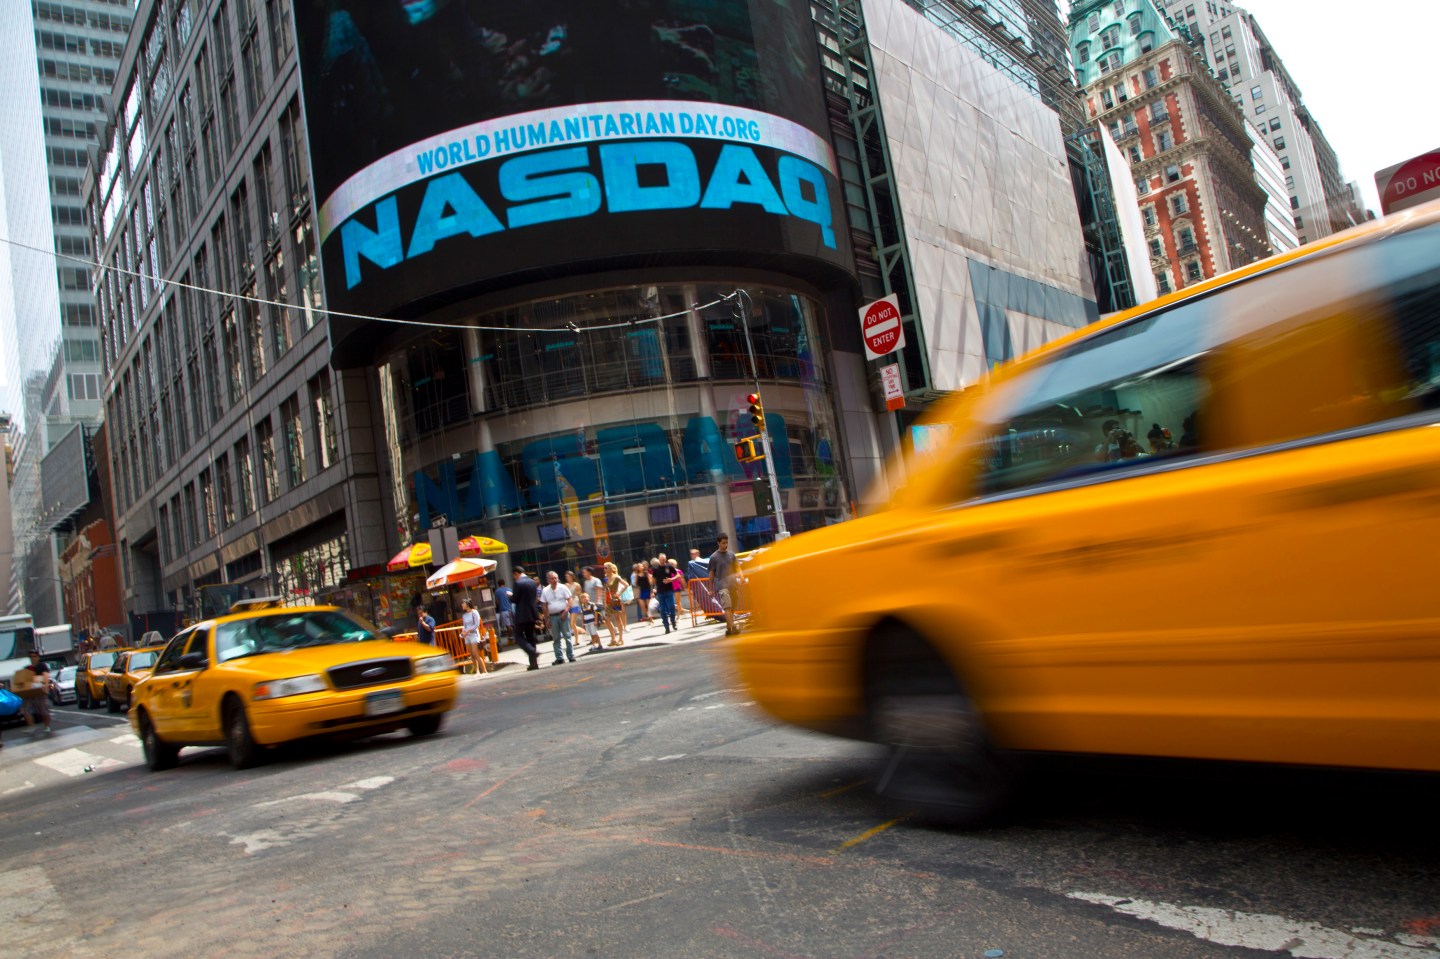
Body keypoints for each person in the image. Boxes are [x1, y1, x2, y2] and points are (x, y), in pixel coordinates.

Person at [708, 534, 740, 635]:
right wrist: (711, 589)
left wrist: (741, 577)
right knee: (727, 607)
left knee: (733, 606)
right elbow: (711, 573)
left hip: (733, 584)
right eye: (723, 543)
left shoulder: (731, 555)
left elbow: (737, 567)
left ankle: (728, 626)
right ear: (718, 543)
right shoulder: (714, 557)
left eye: (726, 543)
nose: (725, 545)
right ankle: (733, 627)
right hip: (721, 585)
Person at [541, 571, 576, 665]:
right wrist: (546, 619)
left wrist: (566, 610)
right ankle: (559, 657)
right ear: (548, 580)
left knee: (567, 635)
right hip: (553, 616)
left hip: (563, 614)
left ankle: (571, 655)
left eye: (556, 578)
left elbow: (570, 599)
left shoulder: (563, 587)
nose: (554, 580)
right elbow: (544, 605)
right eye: (552, 578)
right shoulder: (545, 591)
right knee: (556, 638)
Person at [511, 567, 542, 670]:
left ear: (516, 574)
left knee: (518, 636)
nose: (514, 578)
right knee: (530, 636)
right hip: (532, 613)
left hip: (522, 614)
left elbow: (515, 599)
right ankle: (534, 664)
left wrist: (510, 595)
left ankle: (532, 651)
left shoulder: (518, 583)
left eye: (514, 576)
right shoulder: (532, 582)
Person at [14, 654, 52, 734]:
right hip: (29, 692)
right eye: (31, 656)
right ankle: (31, 726)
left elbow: (46, 675)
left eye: (34, 656)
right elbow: (22, 678)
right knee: (25, 710)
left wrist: (45, 684)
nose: (33, 658)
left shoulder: (42, 666)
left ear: (38, 657)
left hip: (40, 691)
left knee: (44, 710)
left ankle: (47, 726)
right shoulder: (27, 668)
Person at [651, 553, 679, 634]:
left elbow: (678, 575)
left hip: (669, 590)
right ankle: (666, 627)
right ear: (659, 559)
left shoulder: (669, 567)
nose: (662, 561)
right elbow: (653, 581)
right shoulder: (655, 568)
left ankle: (673, 621)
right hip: (660, 592)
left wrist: (672, 579)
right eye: (661, 559)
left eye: (664, 559)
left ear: (665, 559)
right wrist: (653, 589)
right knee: (663, 610)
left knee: (671, 606)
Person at [602, 562, 628, 647]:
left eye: (606, 568)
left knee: (617, 618)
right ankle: (613, 638)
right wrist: (605, 602)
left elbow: (626, 585)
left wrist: (619, 593)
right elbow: (605, 590)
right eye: (604, 568)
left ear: (611, 569)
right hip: (609, 600)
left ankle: (621, 638)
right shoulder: (605, 579)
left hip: (615, 600)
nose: (604, 569)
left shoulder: (616, 577)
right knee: (606, 619)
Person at [460, 600, 488, 674]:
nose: (462, 605)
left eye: (463, 603)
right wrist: (463, 632)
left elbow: (476, 624)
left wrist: (468, 631)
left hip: (474, 635)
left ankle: (484, 670)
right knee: (471, 655)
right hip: (467, 636)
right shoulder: (464, 615)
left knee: (475, 653)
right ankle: (477, 671)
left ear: (467, 604)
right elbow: (464, 625)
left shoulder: (474, 612)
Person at [582, 566, 608, 649]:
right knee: (593, 624)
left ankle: (613, 631)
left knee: (602, 620)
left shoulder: (596, 580)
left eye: (584, 572)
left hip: (596, 604)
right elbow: (586, 593)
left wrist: (596, 603)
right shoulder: (586, 582)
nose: (583, 574)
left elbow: (599, 592)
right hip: (589, 605)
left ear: (589, 572)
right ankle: (594, 641)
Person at [564, 570, 585, 642]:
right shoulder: (565, 585)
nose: (568, 578)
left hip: (575, 603)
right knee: (572, 624)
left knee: (572, 623)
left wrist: (582, 604)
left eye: (569, 577)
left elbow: (580, 595)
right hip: (568, 604)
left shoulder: (576, 585)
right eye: (567, 577)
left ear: (572, 577)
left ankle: (576, 640)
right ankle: (581, 631)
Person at [495, 577, 514, 643]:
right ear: (504, 583)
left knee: (508, 626)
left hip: (503, 610)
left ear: (498, 584)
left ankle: (511, 638)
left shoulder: (497, 591)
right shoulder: (509, 590)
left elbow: (497, 602)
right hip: (511, 609)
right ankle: (513, 638)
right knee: (512, 624)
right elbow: (512, 598)